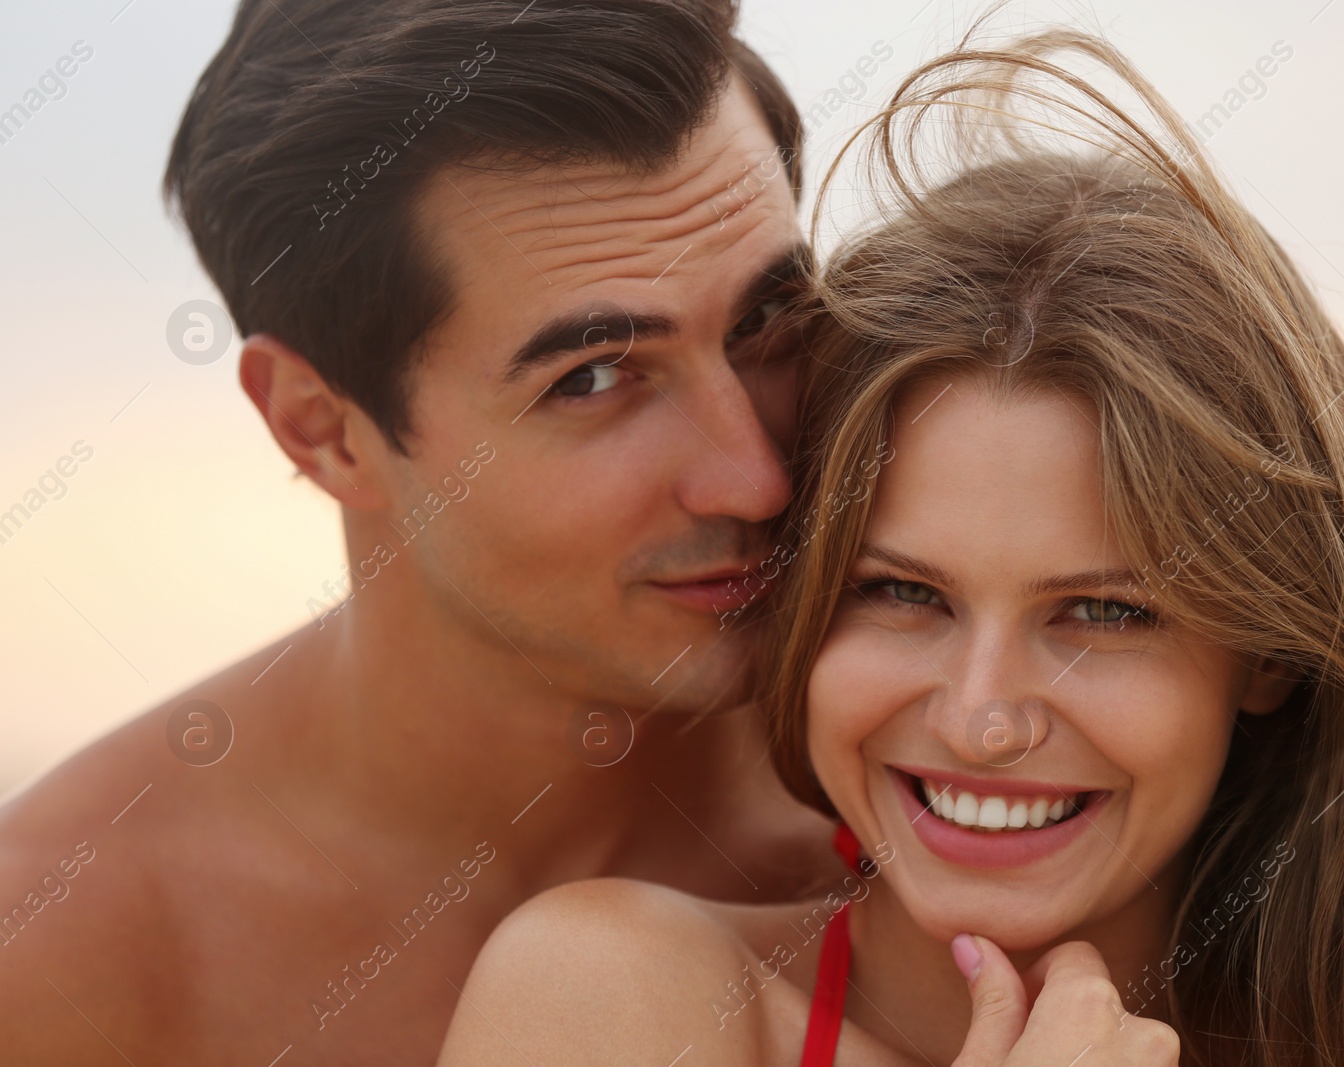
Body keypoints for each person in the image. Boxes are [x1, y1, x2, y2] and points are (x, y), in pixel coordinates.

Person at [437, 29, 1344, 1067]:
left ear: (1268, 655)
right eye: (902, 591)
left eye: (1104, 612)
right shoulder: (612, 995)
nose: (981, 717)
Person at [0, 1, 839, 1062]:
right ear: (322, 430)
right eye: (592, 377)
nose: (756, 478)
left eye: (765, 322)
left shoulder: (988, 813)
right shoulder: (58, 957)